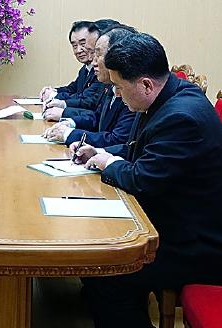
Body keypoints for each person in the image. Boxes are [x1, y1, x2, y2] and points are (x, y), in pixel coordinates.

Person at [73, 33, 222, 328]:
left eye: (117, 87)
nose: (114, 94)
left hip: (197, 244)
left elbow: (142, 179)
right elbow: (138, 150)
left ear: (145, 84)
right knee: (97, 260)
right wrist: (100, 152)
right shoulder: (164, 96)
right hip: (175, 220)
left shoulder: (181, 117)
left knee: (108, 270)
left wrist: (108, 163)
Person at [42, 26, 135, 148]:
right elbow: (96, 117)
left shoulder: (132, 91)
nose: (94, 62)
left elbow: (118, 140)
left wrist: (69, 135)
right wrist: (71, 123)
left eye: (98, 55)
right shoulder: (111, 87)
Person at [40, 20, 105, 121]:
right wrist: (53, 91)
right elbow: (72, 89)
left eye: (83, 44)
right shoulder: (85, 69)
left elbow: (88, 100)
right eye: (74, 46)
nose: (78, 50)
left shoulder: (102, 72)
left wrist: (57, 99)